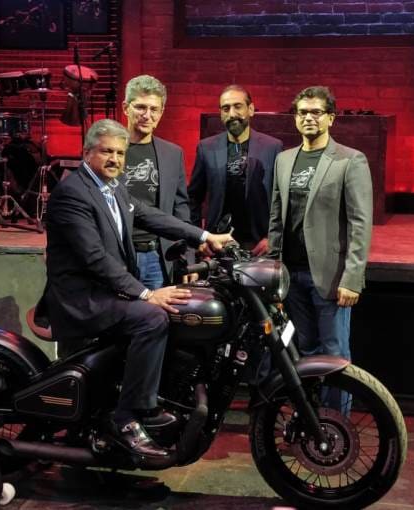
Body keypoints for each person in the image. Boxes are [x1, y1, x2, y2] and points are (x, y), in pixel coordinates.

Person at [43, 119, 233, 458]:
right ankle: (128, 416)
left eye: (120, 153)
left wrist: (204, 236)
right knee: (152, 318)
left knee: (172, 311)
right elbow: (95, 258)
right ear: (86, 153)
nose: (115, 159)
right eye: (107, 152)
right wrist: (146, 293)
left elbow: (149, 215)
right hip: (82, 298)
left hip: (104, 291)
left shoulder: (113, 187)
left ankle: (155, 396)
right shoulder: (72, 194)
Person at [266, 86, 373, 411]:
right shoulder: (284, 159)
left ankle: (335, 423)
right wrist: (273, 270)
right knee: (305, 350)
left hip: (330, 277)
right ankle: (312, 419)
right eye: (302, 112)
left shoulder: (350, 160)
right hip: (291, 275)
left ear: (331, 118)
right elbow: (276, 218)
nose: (309, 118)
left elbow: (360, 223)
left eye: (316, 112)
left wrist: (352, 278)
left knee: (334, 354)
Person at [188, 85, 283, 254]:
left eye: (238, 106)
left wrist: (273, 238)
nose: (232, 114)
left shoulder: (273, 147)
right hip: (217, 243)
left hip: (259, 244)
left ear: (250, 109)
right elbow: (193, 198)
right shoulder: (206, 148)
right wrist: (199, 238)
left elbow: (282, 200)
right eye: (226, 108)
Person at [120, 75, 190, 289]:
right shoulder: (109, 150)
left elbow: (181, 207)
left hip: (157, 257)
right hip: (118, 254)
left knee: (156, 311)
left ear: (161, 112)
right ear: (126, 108)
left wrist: (187, 256)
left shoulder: (173, 153)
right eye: (141, 107)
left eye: (154, 109)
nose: (147, 115)